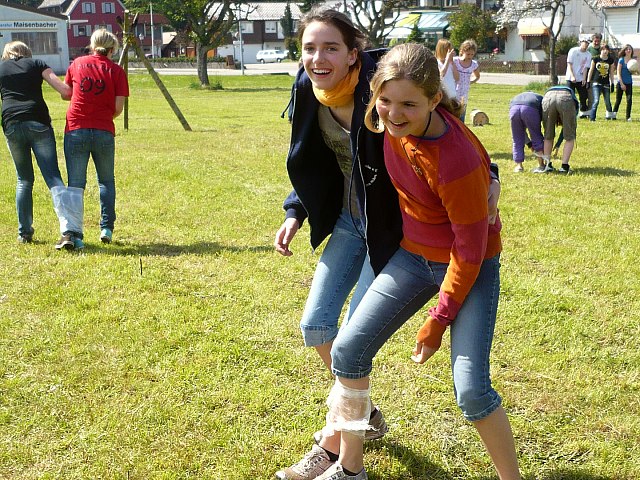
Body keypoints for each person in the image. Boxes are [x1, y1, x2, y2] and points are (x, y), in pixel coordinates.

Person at [273, 9, 501, 480]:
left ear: (354, 53)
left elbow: (456, 143)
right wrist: (296, 210)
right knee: (324, 332)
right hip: (358, 226)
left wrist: (490, 176)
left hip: (397, 236)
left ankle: (335, 443)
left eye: (331, 47)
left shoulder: (388, 92)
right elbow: (316, 159)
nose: (319, 58)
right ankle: (354, 433)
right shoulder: (317, 92)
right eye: (309, 48)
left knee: (365, 351)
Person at [0, 41, 77, 248]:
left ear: (6, 54)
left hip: (11, 124)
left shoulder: (1, 68)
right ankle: (67, 230)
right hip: (38, 121)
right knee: (53, 176)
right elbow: (65, 91)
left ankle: (24, 233)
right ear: (27, 53)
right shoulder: (37, 64)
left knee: (23, 179)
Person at [62, 28, 129, 250]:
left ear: (92, 45)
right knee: (106, 181)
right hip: (103, 130)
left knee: (76, 184)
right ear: (112, 49)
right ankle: (106, 228)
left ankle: (74, 234)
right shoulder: (117, 71)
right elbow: (118, 109)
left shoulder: (77, 63)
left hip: (76, 128)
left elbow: (68, 93)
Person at [535, 85, 579, 175]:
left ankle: (547, 165)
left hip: (548, 96)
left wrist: (558, 144)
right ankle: (564, 166)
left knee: (548, 135)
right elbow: (567, 133)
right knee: (570, 137)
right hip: (566, 96)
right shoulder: (573, 101)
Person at [509, 91, 544, 172]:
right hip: (530, 109)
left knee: (517, 138)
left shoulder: (516, 96)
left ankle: (519, 166)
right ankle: (541, 164)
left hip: (513, 109)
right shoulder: (540, 98)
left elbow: (521, 133)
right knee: (536, 136)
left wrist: (529, 144)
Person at [453, 39, 480, 123]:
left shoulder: (474, 64)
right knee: (453, 110)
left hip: (464, 92)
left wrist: (471, 81)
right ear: (462, 51)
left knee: (462, 113)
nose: (470, 56)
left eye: (472, 54)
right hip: (454, 90)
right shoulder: (455, 61)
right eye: (468, 54)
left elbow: (477, 76)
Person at [586, 43, 615, 122]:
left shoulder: (610, 60)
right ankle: (592, 118)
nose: (605, 51)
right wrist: (588, 81)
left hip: (606, 83)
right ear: (600, 50)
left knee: (607, 101)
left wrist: (612, 83)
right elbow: (591, 71)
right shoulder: (595, 59)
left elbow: (611, 73)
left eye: (606, 50)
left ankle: (609, 116)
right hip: (596, 83)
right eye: (603, 49)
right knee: (596, 100)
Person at [565, 39, 592, 117]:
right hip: (571, 78)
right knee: (570, 96)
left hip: (580, 78)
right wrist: (572, 76)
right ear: (581, 43)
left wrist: (584, 79)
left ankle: (583, 112)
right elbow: (569, 64)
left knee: (583, 96)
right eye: (585, 43)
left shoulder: (588, 54)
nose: (586, 45)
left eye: (587, 43)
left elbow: (586, 68)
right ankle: (570, 112)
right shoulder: (573, 51)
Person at [612, 44, 634, 122]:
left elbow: (636, 71)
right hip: (621, 83)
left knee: (629, 99)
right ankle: (614, 114)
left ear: (631, 51)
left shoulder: (633, 61)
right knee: (618, 99)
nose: (628, 50)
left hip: (629, 83)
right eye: (627, 49)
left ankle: (628, 116)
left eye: (630, 49)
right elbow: (618, 72)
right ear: (624, 51)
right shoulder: (621, 60)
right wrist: (621, 84)